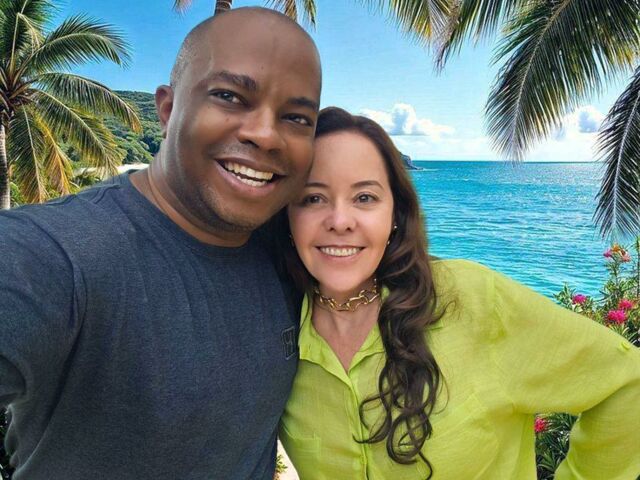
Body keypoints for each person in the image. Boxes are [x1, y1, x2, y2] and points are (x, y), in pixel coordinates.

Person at [0, 8, 321, 480]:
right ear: (167, 110)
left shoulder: (295, 253)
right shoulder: (57, 253)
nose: (266, 135)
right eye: (230, 96)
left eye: (296, 117)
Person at [278, 107, 640, 479]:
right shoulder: (276, 332)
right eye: (312, 198)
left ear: (395, 214)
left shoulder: (473, 300)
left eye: (365, 198)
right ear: (286, 216)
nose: (339, 221)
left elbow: (627, 384)